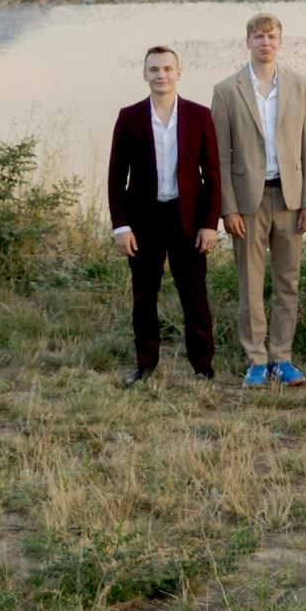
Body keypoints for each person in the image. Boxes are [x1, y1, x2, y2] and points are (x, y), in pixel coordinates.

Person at [211, 13, 306, 388]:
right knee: (251, 283)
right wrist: (228, 207)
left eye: (271, 36)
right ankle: (255, 359)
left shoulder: (301, 85)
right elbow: (221, 156)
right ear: (247, 42)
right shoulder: (227, 90)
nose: (265, 42)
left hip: (290, 197)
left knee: (288, 281)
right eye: (258, 36)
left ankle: (282, 357)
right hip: (248, 201)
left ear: (280, 41)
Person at [106, 46, 222, 384]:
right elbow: (116, 176)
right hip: (144, 221)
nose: (161, 75)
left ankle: (203, 366)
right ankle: (145, 363)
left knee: (195, 295)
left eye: (168, 69)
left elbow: (213, 174)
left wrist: (209, 224)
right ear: (144, 74)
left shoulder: (199, 115)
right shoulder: (129, 116)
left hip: (187, 219)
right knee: (144, 295)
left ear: (179, 73)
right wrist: (121, 226)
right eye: (154, 69)